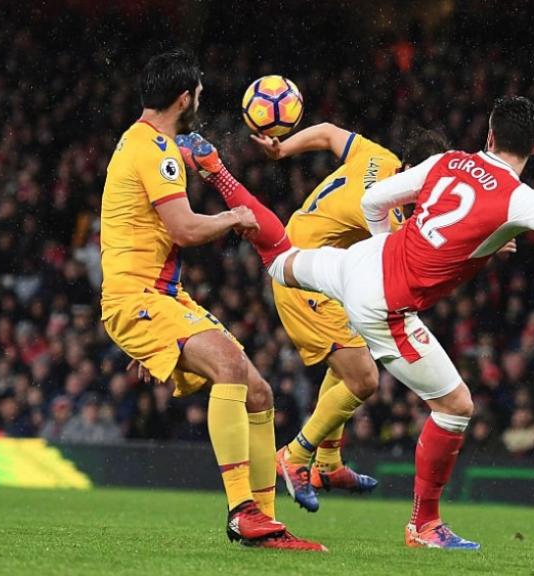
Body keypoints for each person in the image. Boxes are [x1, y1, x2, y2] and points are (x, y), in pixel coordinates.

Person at [179, 95, 534, 550]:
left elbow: (373, 199)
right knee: (455, 408)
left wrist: (387, 242)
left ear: (488, 133)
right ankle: (423, 524)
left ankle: (217, 172)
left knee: (278, 258)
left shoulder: (448, 161)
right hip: (383, 304)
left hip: (355, 263)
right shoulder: (517, 198)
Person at [99, 49, 323, 551]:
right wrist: (233, 218)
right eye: (198, 94)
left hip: (158, 297)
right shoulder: (154, 149)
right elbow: (184, 227)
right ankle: (242, 511)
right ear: (184, 97)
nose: (200, 100)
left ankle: (265, 523)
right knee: (227, 366)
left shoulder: (143, 142)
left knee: (259, 391)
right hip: (138, 297)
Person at [237, 124, 447, 512]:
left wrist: (283, 150)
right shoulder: (388, 209)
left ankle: (328, 465)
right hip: (304, 276)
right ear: (410, 170)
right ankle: (295, 456)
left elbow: (330, 133)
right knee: (365, 378)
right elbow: (413, 261)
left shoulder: (378, 157)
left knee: (350, 363)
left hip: (319, 266)